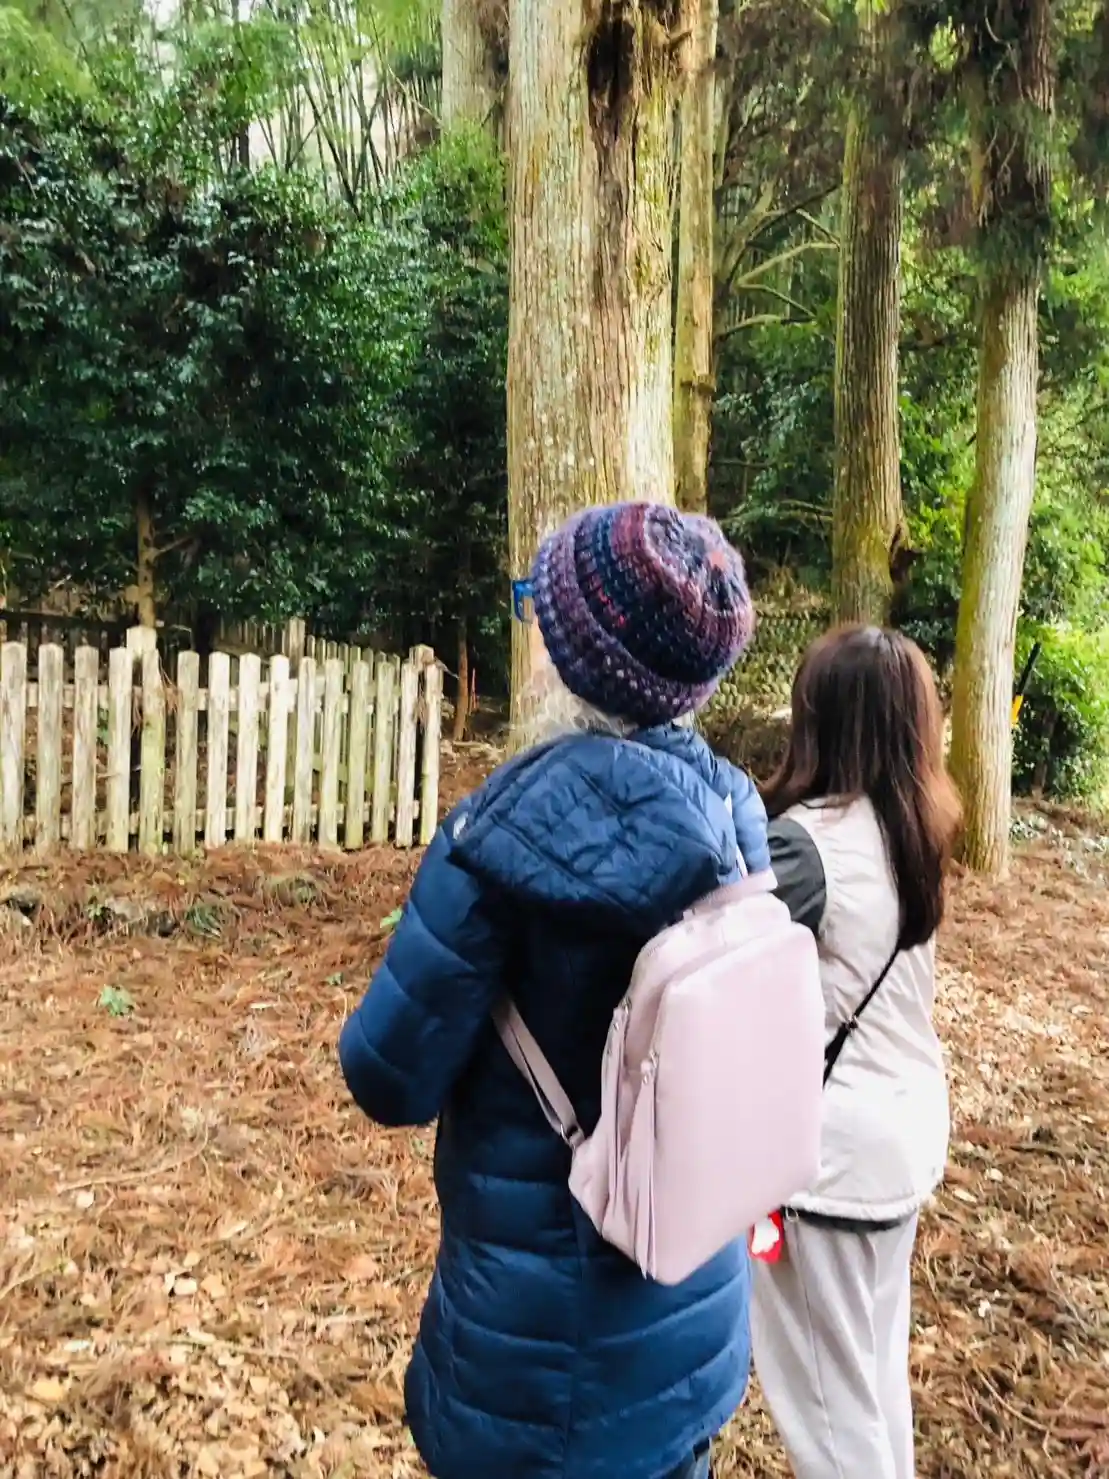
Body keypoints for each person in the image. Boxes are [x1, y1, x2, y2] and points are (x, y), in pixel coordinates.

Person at [338, 502, 770, 1479]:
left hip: (532, 1362)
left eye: (538, 607)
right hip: (692, 1312)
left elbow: (386, 1078)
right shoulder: (740, 817)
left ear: (575, 660)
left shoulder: (490, 842)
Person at [750, 625, 962, 1479]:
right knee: (869, 1380)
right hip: (900, 1135)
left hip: (830, 1162)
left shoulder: (806, 846)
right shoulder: (913, 827)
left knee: (829, 1416)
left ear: (820, 717)